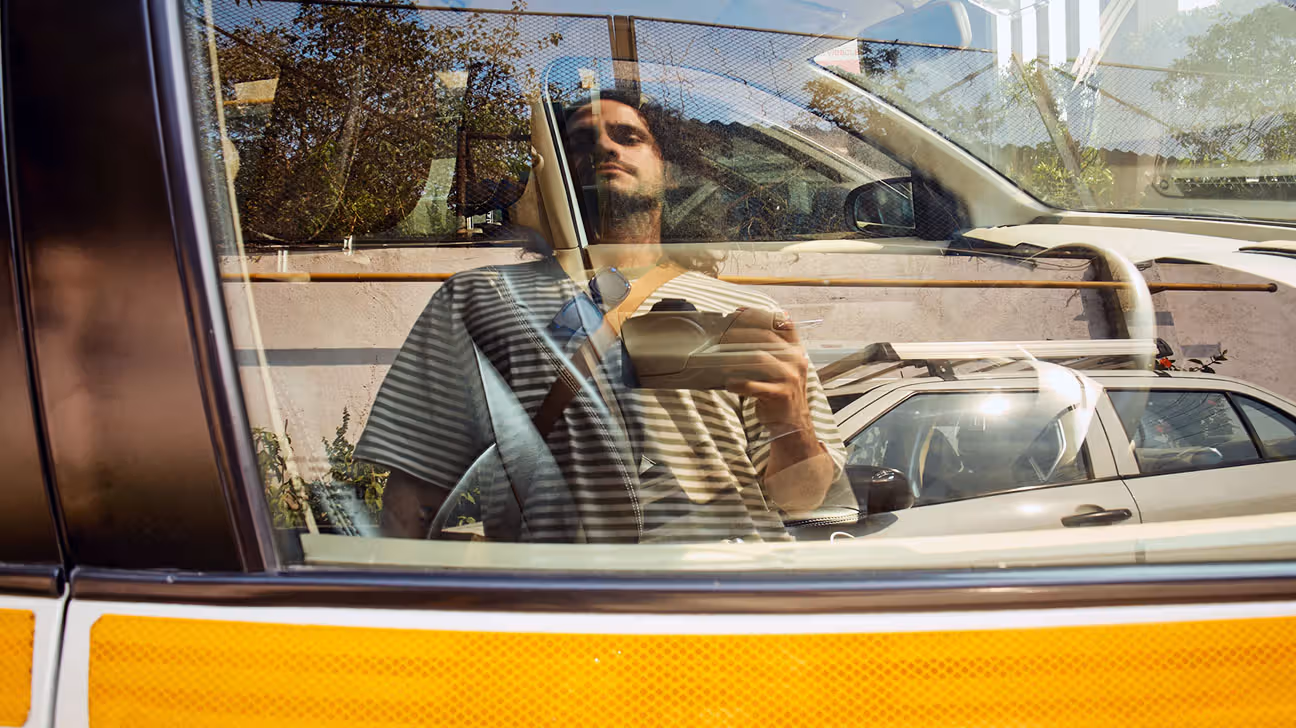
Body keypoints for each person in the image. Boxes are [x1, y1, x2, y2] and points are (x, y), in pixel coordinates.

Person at [354, 89, 853, 543]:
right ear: (559, 173)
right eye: (582, 141)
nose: (606, 149)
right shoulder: (480, 299)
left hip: (726, 604)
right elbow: (413, 496)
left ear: (670, 171)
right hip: (562, 606)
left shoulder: (747, 313)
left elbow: (801, 499)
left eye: (628, 137)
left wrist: (789, 419)